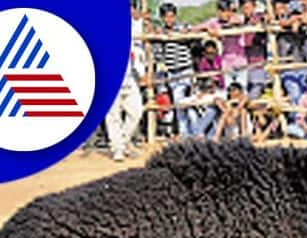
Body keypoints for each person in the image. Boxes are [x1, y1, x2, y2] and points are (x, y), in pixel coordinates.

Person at [106, 3, 146, 161]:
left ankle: (123, 142)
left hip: (129, 79)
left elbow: (137, 49)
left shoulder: (132, 27)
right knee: (113, 116)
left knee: (136, 112)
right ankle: (118, 149)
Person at [153, 2, 194, 136]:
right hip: (172, 72)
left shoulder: (183, 27)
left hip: (185, 69)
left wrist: (185, 33)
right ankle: (186, 132)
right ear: (162, 18)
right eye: (166, 17)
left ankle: (186, 133)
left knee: (181, 100)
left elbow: (193, 33)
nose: (169, 20)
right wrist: (159, 40)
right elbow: (158, 55)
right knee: (179, 103)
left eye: (171, 16)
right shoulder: (161, 33)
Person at [200, 1, 248, 88]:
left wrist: (220, 30)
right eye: (224, 11)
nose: (227, 14)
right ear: (219, 12)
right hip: (226, 63)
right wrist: (207, 28)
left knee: (243, 88)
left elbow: (237, 21)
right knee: (229, 90)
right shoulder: (215, 22)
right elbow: (196, 28)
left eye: (228, 11)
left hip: (241, 62)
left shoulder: (236, 18)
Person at [242, 0, 269, 99]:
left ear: (254, 8)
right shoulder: (241, 21)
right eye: (244, 8)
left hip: (258, 61)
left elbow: (265, 18)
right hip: (245, 62)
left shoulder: (258, 17)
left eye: (249, 8)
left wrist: (262, 19)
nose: (247, 11)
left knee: (257, 87)